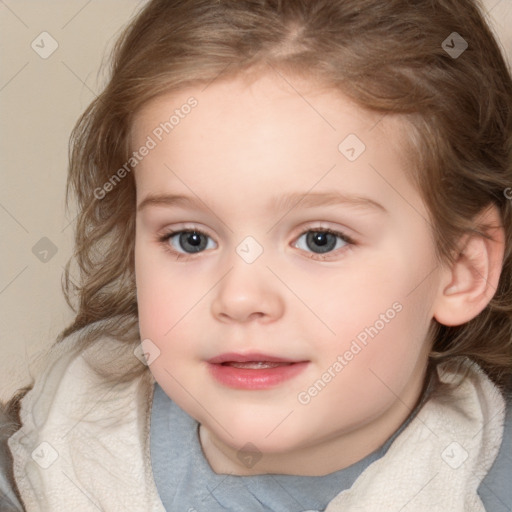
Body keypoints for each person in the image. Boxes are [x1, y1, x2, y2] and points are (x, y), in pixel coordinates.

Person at [1, 0, 512, 510]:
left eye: (320, 240)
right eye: (191, 239)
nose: (241, 297)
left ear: (461, 271)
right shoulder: (49, 452)